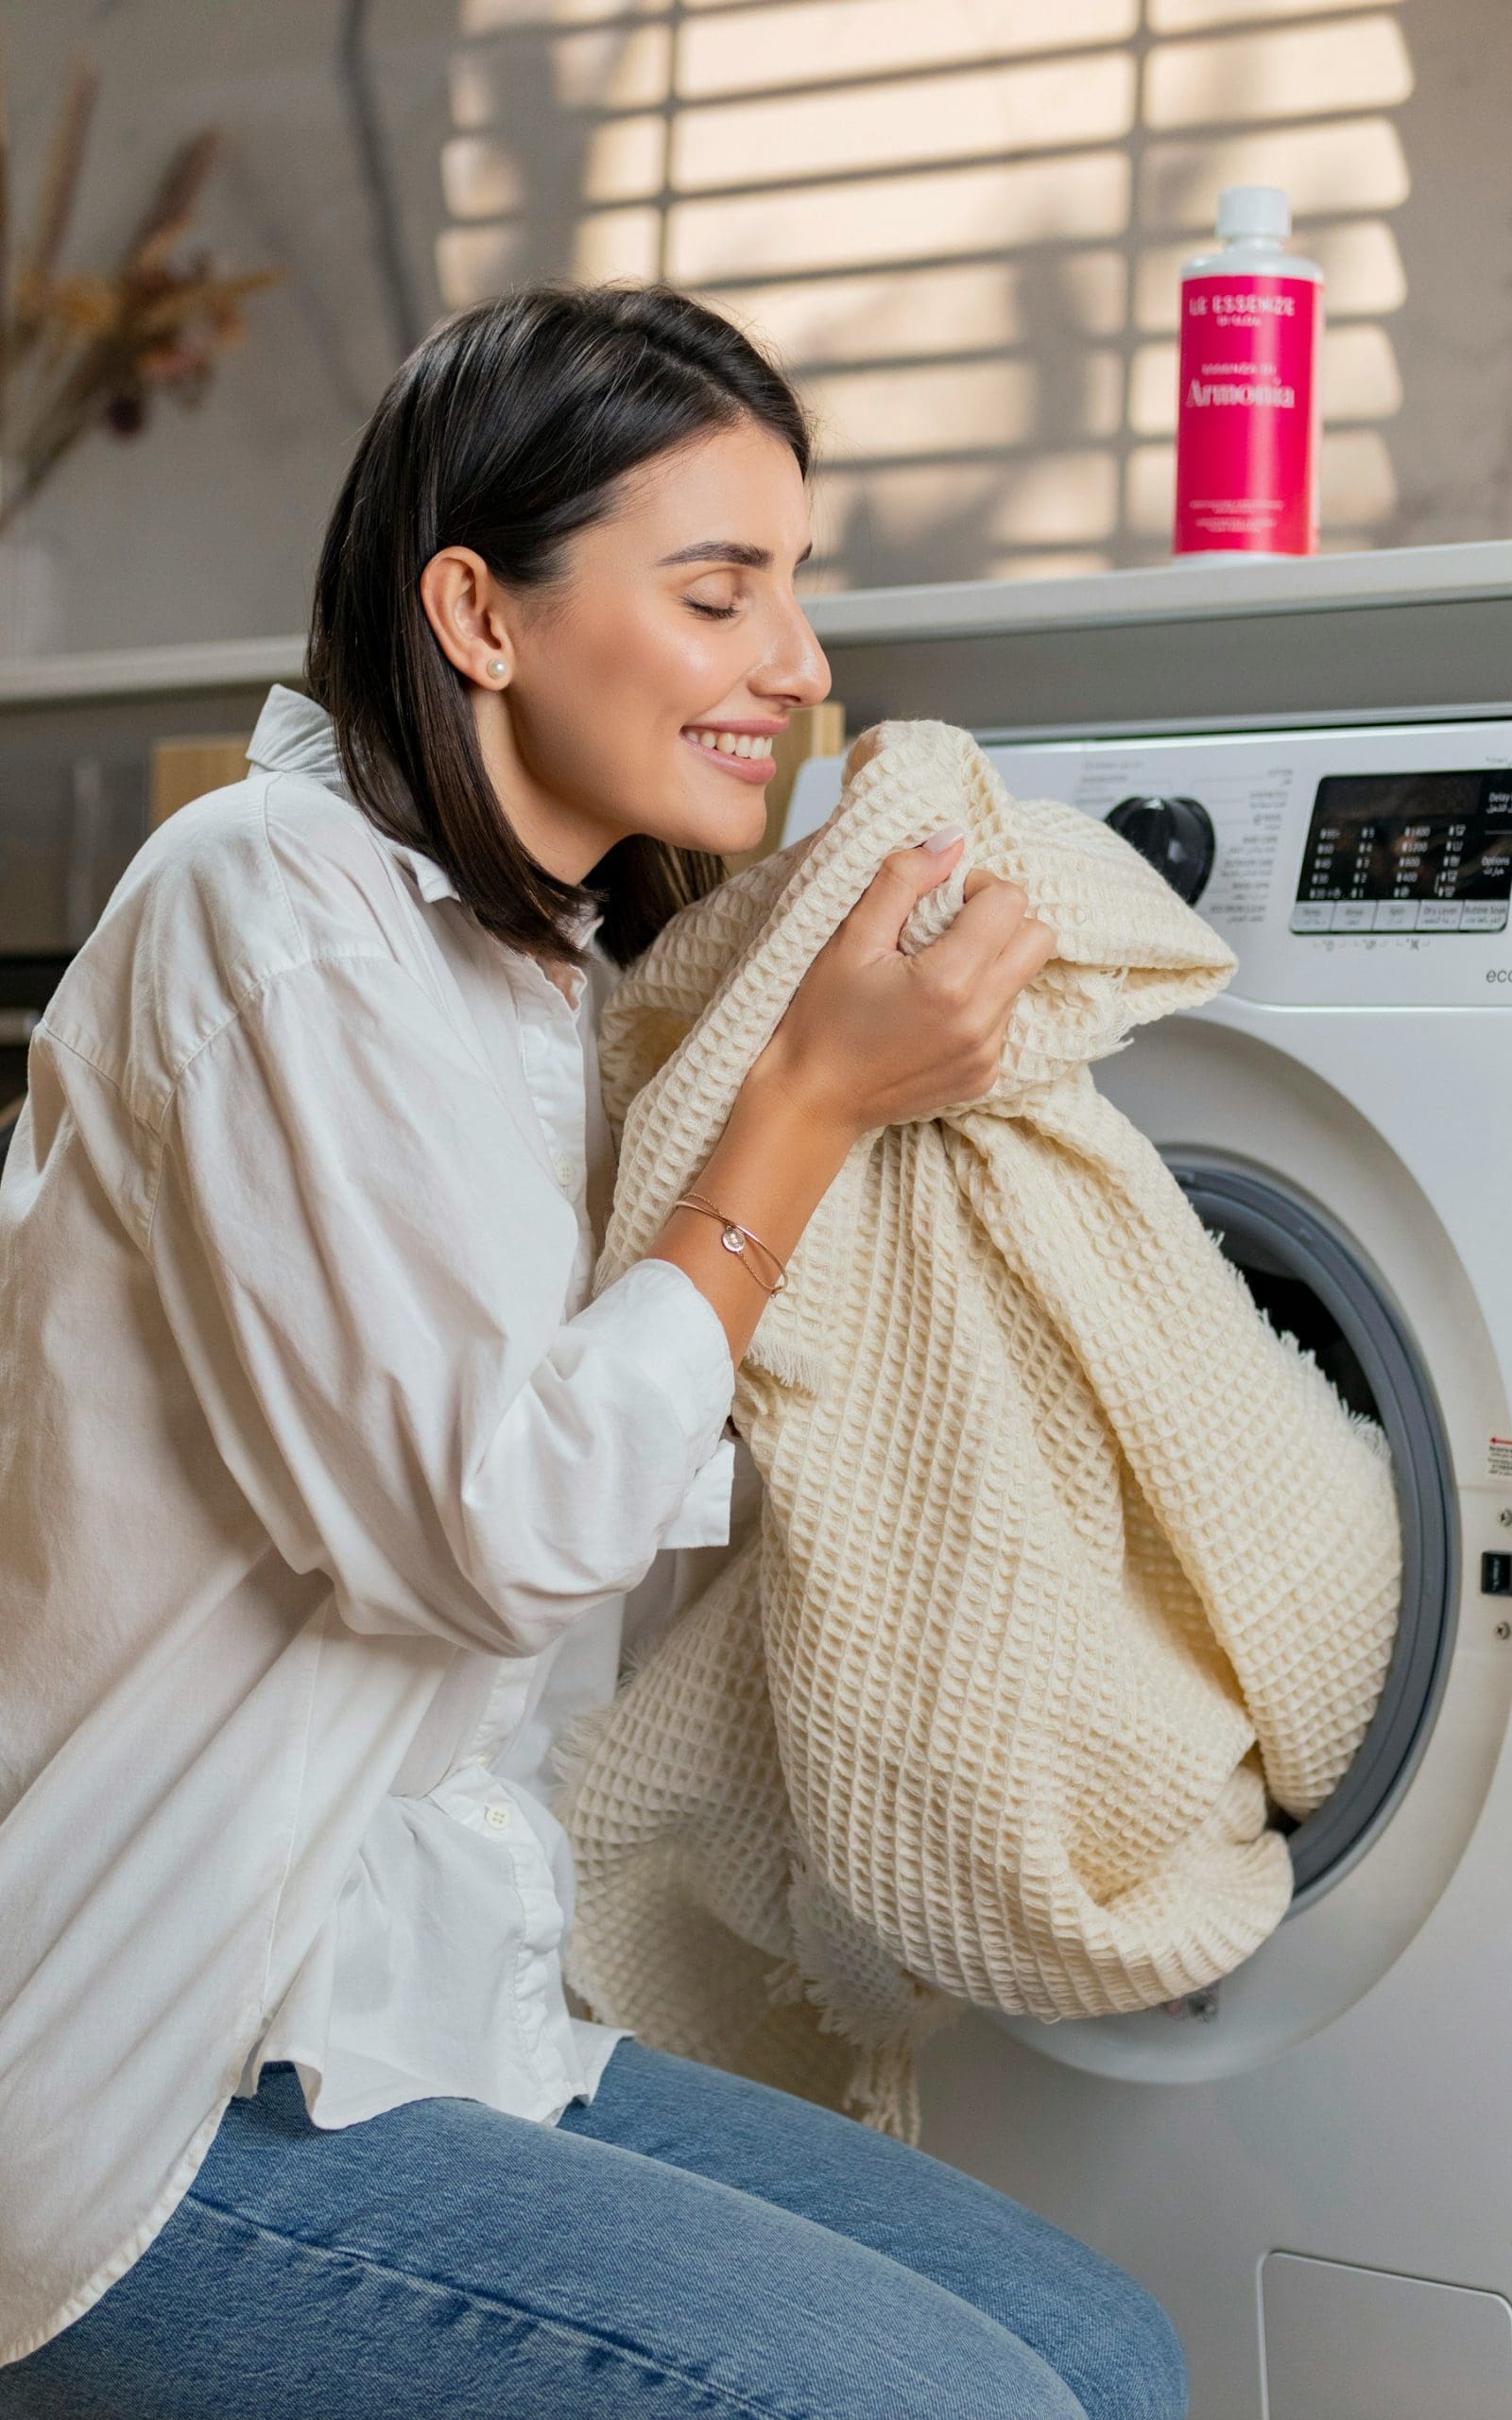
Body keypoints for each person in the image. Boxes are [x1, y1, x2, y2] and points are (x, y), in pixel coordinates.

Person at [0, 280, 1187, 2420]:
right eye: (716, 589)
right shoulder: (268, 905)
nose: (795, 664)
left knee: (1107, 2347)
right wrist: (806, 1106)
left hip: (418, 2013)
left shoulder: (537, 973)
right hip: (151, 2047)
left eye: (793, 590)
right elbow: (484, 1537)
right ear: (479, 610)